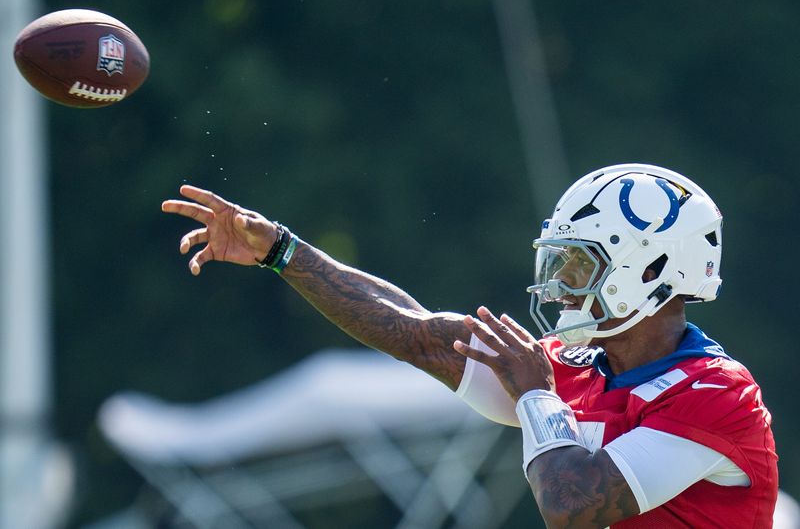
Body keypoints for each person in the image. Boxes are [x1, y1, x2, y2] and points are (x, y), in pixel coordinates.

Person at [161, 163, 778, 528]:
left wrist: (537, 397)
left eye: (578, 266)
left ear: (652, 272)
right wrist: (283, 252)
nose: (559, 286)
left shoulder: (717, 393)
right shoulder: (577, 367)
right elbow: (417, 334)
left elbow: (572, 505)